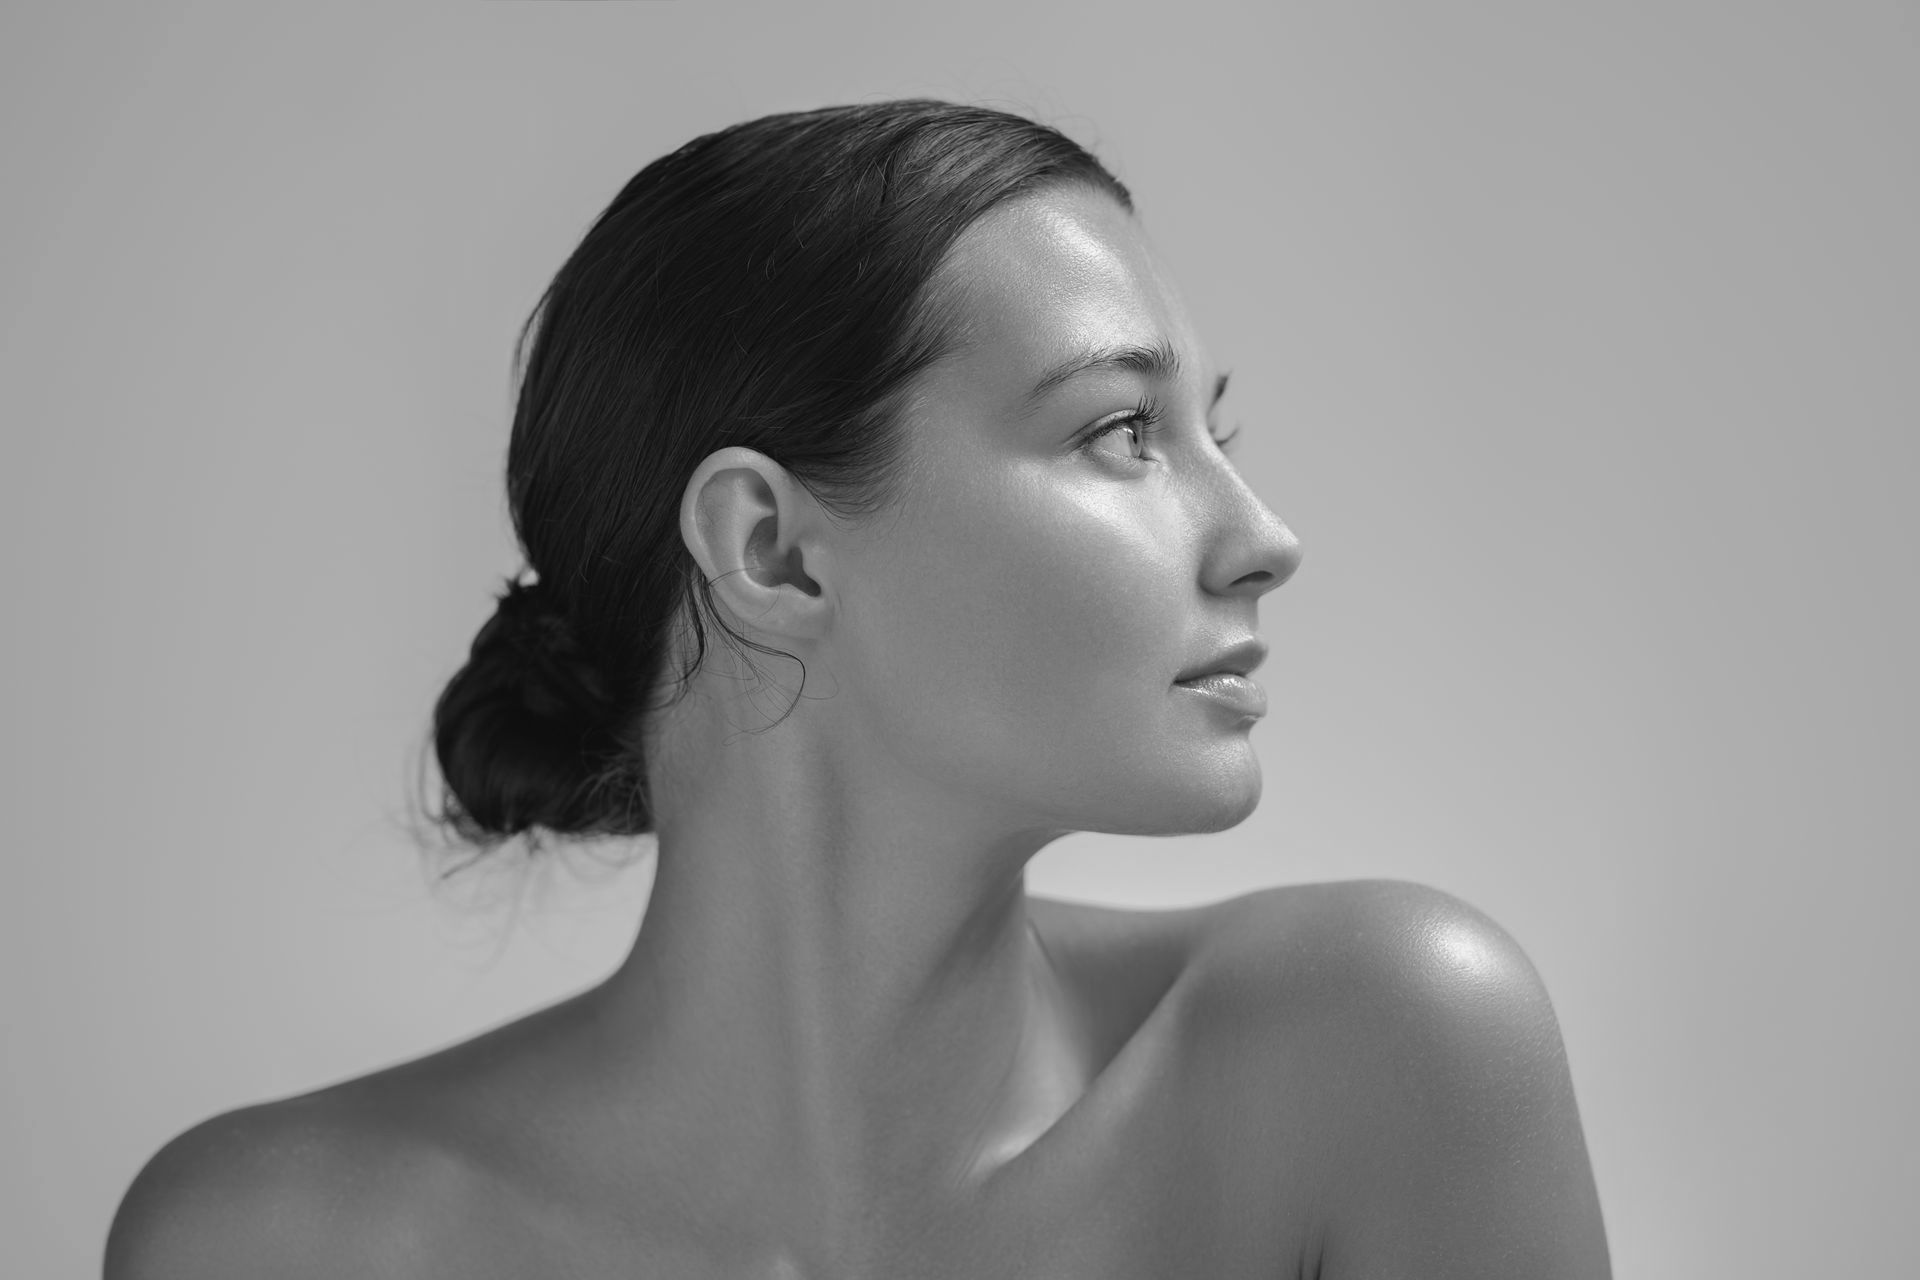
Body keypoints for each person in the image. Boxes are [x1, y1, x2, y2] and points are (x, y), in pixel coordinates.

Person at [105, 100, 1610, 1279]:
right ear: (771, 550)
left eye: (1213, 430)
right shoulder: (274, 1245)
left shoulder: (1379, 1055)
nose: (1265, 541)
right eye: (1121, 434)